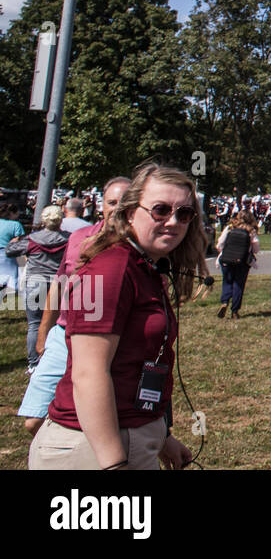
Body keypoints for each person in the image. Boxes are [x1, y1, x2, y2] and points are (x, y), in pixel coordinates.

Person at [28, 163, 204, 470]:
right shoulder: (110, 268)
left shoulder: (144, 266)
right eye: (160, 210)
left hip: (128, 437)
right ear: (130, 211)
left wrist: (161, 437)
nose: (173, 222)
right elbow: (88, 373)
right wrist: (113, 464)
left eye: (184, 213)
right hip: (92, 449)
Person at [18, 178, 129, 435]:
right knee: (33, 419)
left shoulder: (137, 246)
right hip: (63, 336)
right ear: (101, 205)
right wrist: (44, 334)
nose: (118, 207)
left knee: (99, 417)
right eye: (112, 202)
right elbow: (59, 285)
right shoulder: (79, 237)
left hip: (109, 341)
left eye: (124, 201)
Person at [6, 206, 68, 372]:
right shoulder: (69, 239)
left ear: (43, 220)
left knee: (34, 324)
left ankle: (34, 363)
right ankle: (53, 359)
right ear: (61, 220)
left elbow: (10, 251)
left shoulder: (33, 239)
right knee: (57, 324)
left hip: (35, 282)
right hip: (58, 284)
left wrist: (16, 243)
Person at [216, 209, 259, 319]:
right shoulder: (251, 231)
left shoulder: (230, 227)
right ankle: (235, 310)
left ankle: (225, 301)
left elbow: (220, 243)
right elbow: (256, 249)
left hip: (226, 258)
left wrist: (224, 251)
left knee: (227, 281)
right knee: (238, 284)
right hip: (242, 260)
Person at [0, 203, 23, 296]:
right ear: (12, 213)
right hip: (7, 253)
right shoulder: (16, 225)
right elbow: (19, 241)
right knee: (11, 276)